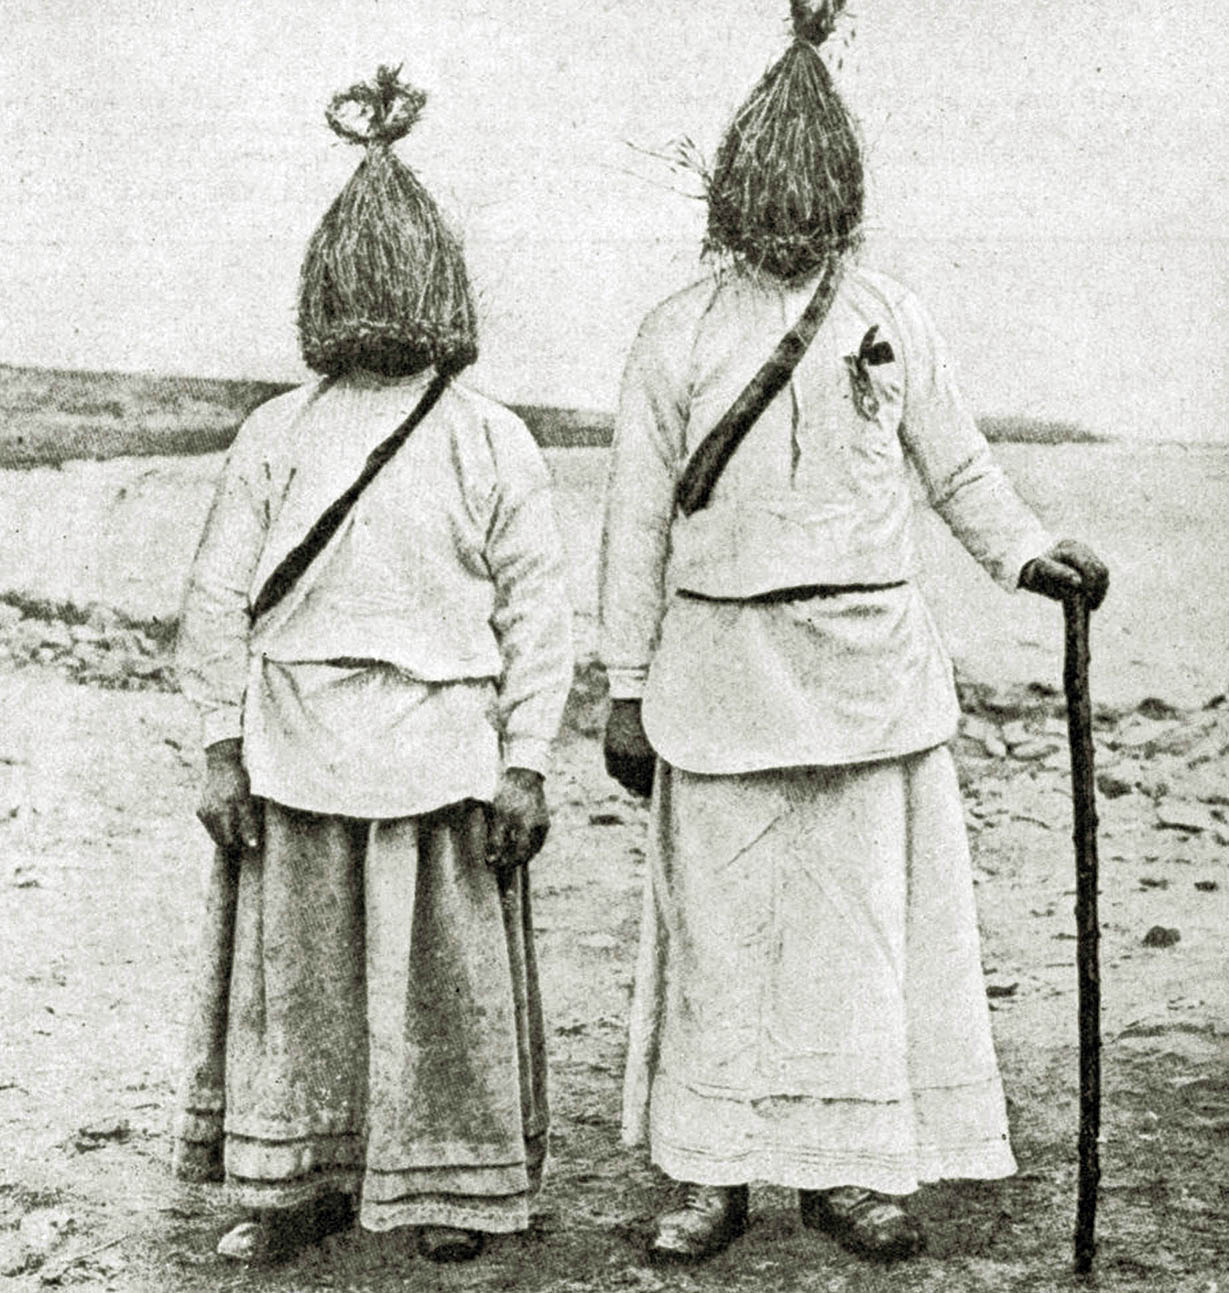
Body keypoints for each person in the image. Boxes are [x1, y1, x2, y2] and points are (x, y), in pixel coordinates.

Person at [598, 2, 1108, 1266]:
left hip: (870, 668)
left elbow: (960, 470)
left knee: (857, 937)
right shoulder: (675, 332)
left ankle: (850, 1174)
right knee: (717, 932)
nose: (791, 218)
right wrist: (622, 683)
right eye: (771, 195)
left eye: (813, 197)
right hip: (716, 671)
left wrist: (1027, 556)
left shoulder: (891, 315)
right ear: (733, 194)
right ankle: (713, 1175)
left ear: (841, 197)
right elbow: (632, 526)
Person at [172, 67, 572, 1265]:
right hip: (297, 747)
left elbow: (535, 612)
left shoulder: (484, 434)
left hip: (441, 753)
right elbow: (217, 599)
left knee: (439, 987)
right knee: (302, 987)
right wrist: (220, 741)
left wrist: (524, 762)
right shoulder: (279, 430)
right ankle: (299, 1183)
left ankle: (449, 1190)